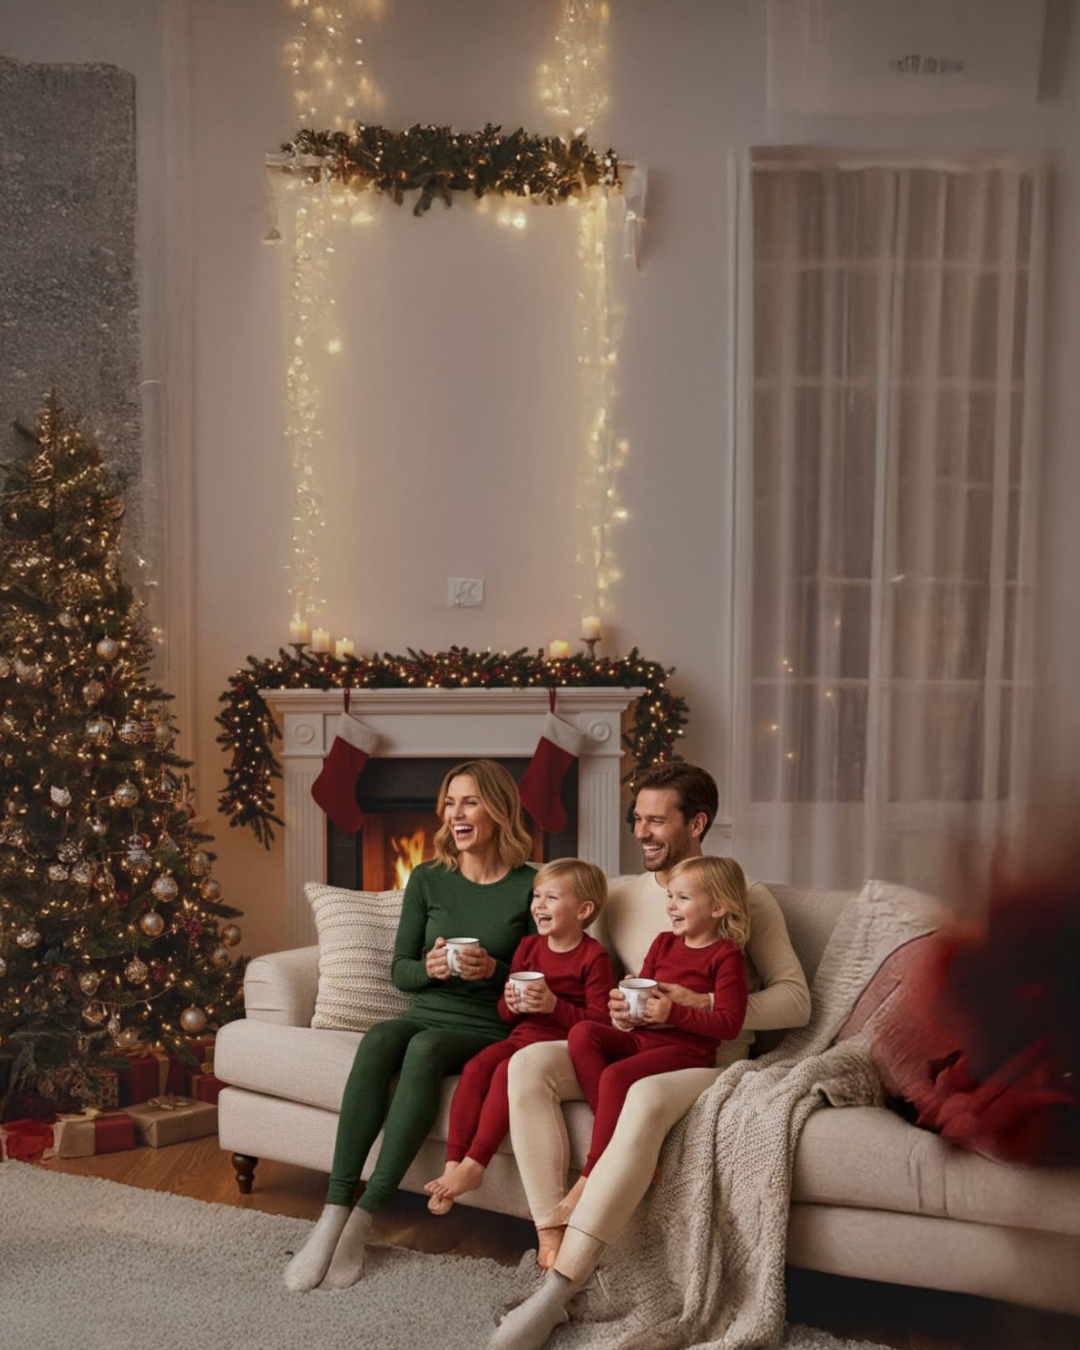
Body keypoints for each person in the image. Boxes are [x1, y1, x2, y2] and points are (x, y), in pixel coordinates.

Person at [495, 762, 811, 1348]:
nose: (641, 832)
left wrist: (697, 1001)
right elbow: (554, 920)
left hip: (707, 1057)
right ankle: (550, 1236)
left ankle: (556, 1293)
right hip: (643, 1041)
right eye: (636, 819)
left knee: (637, 1091)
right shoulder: (618, 895)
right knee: (528, 1064)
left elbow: (796, 1000)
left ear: (697, 823)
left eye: (657, 820)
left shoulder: (743, 898)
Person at [284, 758, 536, 1293]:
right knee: (381, 1038)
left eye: (469, 801)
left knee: (423, 1050)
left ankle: (364, 1219)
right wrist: (433, 967)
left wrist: (496, 970)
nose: (455, 813)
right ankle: (332, 1213)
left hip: (487, 1025)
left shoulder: (530, 886)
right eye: (449, 802)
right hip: (425, 1009)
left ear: (497, 809)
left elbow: (544, 974)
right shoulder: (427, 878)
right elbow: (401, 972)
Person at [423, 858, 614, 1213]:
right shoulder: (528, 948)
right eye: (536, 896)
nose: (539, 905)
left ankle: (476, 1164)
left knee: (503, 1073)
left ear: (584, 909)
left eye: (552, 898)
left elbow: (601, 1025)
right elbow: (506, 1013)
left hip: (556, 1048)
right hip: (521, 1037)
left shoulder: (593, 958)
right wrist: (510, 1003)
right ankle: (453, 1165)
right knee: (477, 1068)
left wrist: (555, 1006)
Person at [565, 855, 749, 1186]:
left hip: (688, 1052)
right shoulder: (663, 942)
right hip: (643, 1039)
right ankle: (623, 1137)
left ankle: (592, 1173)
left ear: (718, 907)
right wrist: (622, 1009)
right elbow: (644, 990)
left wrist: (673, 1013)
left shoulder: (727, 956)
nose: (671, 906)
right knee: (582, 1033)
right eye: (670, 897)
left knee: (615, 1076)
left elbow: (729, 1024)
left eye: (683, 898)